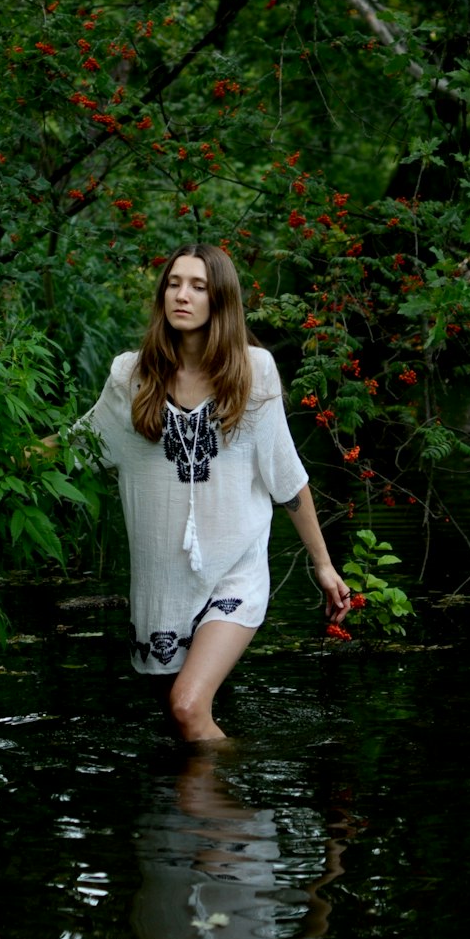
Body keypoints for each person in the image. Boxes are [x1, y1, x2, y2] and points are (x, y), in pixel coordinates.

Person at [70, 243, 349, 742]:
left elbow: (286, 477)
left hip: (234, 573)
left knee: (187, 706)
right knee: (179, 723)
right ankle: (200, 819)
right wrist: (0, 453)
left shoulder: (252, 372)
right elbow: (78, 446)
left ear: (220, 301)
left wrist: (324, 566)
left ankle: (241, 813)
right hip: (162, 585)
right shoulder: (131, 377)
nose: (183, 295)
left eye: (198, 286)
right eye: (174, 283)